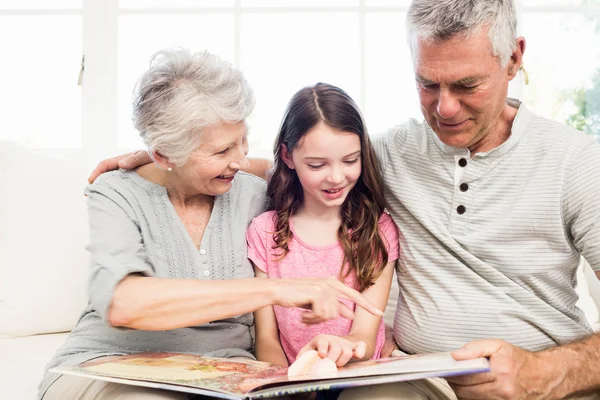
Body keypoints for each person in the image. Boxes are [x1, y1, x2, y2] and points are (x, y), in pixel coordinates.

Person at [89, 0, 600, 397]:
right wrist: (164, 156)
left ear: (514, 59)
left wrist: (547, 372)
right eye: (427, 84)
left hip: (539, 385)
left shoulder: (579, 163)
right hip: (413, 379)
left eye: (467, 85)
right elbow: (303, 165)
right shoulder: (391, 153)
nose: (444, 108)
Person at [39, 49, 383, 400]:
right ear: (164, 154)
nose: (240, 160)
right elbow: (124, 302)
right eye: (221, 152)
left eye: (242, 140)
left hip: (226, 372)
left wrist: (181, 157)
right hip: (111, 366)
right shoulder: (116, 192)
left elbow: (309, 166)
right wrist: (275, 290)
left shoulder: (253, 192)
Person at [247, 83, 398, 370]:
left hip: (358, 376)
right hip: (292, 379)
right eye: (317, 165)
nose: (337, 177)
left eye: (350, 161)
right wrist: (290, 386)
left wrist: (341, 348)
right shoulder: (264, 232)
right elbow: (267, 340)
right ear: (288, 157)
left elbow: (364, 337)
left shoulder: (377, 230)